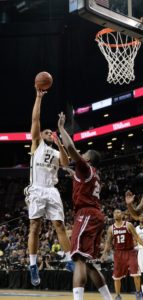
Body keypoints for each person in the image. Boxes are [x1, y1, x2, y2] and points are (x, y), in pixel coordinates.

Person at [58, 112, 113, 300]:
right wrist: (58, 144)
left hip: (87, 214)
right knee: (89, 264)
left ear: (88, 160)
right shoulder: (90, 173)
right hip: (96, 215)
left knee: (78, 258)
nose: (82, 155)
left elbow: (71, 149)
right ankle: (108, 298)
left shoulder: (86, 168)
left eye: (85, 155)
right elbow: (69, 166)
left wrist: (61, 129)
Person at [24, 89, 71, 286]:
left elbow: (66, 163)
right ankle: (33, 265)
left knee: (59, 225)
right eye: (45, 132)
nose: (47, 133)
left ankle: (69, 260)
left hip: (51, 190)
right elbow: (35, 121)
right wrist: (38, 97)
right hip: (37, 188)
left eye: (49, 132)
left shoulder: (54, 149)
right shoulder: (37, 145)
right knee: (35, 226)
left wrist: (60, 142)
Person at [101, 209, 143, 300]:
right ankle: (118, 295)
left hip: (130, 252)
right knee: (117, 277)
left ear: (122, 215)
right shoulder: (111, 228)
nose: (116, 214)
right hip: (118, 254)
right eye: (114, 212)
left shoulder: (128, 225)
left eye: (118, 212)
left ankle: (138, 293)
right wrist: (104, 253)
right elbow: (108, 242)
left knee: (136, 273)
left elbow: (137, 237)